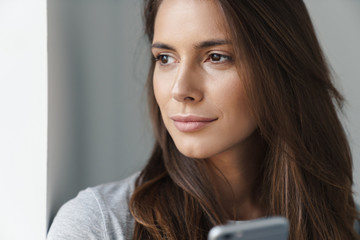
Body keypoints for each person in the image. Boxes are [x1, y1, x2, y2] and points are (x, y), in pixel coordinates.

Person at [47, 0, 360, 239]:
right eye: (165, 58)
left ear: (280, 68)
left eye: (216, 57)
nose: (181, 90)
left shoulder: (345, 224)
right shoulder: (99, 225)